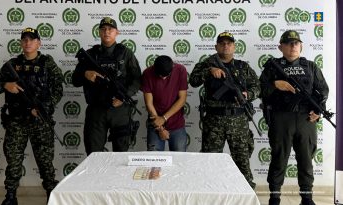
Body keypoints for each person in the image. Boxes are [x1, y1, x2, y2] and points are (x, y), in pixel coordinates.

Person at [0, 27, 64, 205]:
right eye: (24, 39)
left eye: (32, 39)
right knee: (13, 159)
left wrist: (44, 108)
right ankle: (10, 196)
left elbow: (58, 89)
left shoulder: (47, 63)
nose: (28, 42)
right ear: (21, 43)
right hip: (16, 120)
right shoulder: (12, 64)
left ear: (39, 43)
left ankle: (51, 195)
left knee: (45, 161)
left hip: (40, 120)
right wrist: (6, 85)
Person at [259, 30, 329, 205]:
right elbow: (260, 89)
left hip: (306, 118)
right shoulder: (272, 66)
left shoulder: (311, 66)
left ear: (301, 46)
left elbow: (323, 91)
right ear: (280, 47)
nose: (293, 46)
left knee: (306, 159)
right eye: (289, 43)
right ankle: (274, 198)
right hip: (281, 117)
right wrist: (275, 84)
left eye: (296, 43)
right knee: (279, 157)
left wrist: (318, 111)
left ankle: (307, 198)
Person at [189, 32, 260, 189]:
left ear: (234, 47)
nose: (226, 46)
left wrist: (247, 94)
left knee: (242, 161)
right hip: (214, 121)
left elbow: (257, 87)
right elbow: (193, 81)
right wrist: (209, 71)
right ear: (216, 46)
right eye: (222, 43)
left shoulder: (243, 67)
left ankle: (246, 194)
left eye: (229, 43)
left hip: (239, 120)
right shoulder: (207, 64)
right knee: (210, 161)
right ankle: (210, 193)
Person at [72, 17, 141, 155]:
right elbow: (74, 80)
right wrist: (85, 73)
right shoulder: (90, 54)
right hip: (97, 110)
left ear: (117, 32)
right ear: (99, 32)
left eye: (110, 29)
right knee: (94, 154)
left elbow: (137, 79)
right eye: (103, 29)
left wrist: (124, 96)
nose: (107, 32)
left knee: (121, 154)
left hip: (119, 109)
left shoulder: (126, 53)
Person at [141, 55, 188, 151]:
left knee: (180, 159)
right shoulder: (147, 73)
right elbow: (149, 103)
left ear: (173, 67)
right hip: (155, 124)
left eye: (166, 75)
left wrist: (164, 118)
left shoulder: (180, 70)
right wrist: (160, 128)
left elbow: (182, 99)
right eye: (160, 75)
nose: (163, 78)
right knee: (154, 160)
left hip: (176, 124)